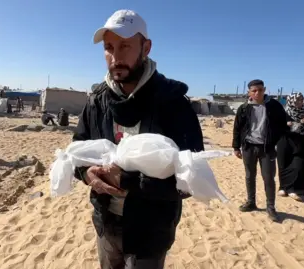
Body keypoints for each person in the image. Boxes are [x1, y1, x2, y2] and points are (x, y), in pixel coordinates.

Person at [73, 10, 204, 269]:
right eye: (109, 47)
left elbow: (191, 180)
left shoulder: (173, 102)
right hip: (106, 223)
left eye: (125, 46)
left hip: (151, 230)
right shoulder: (97, 101)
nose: (115, 57)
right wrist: (87, 173)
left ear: (146, 47)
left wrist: (129, 181)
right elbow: (77, 148)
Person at [232, 79, 288, 222]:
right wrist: (236, 147)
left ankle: (270, 207)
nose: (258, 93)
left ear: (264, 90)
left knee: (268, 177)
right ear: (249, 92)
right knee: (250, 176)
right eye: (254, 90)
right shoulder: (244, 108)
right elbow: (237, 128)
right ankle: (251, 202)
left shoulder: (273, 106)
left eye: (260, 90)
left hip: (267, 148)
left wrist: (274, 139)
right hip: (248, 147)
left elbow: (283, 124)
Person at [277, 92, 304, 201]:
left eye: (301, 100)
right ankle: (284, 187)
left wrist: (297, 125)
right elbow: (280, 126)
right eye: (297, 100)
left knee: (300, 165)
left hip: (300, 143)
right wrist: (299, 124)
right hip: (284, 142)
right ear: (291, 101)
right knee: (283, 164)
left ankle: (295, 189)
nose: (300, 102)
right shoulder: (283, 113)